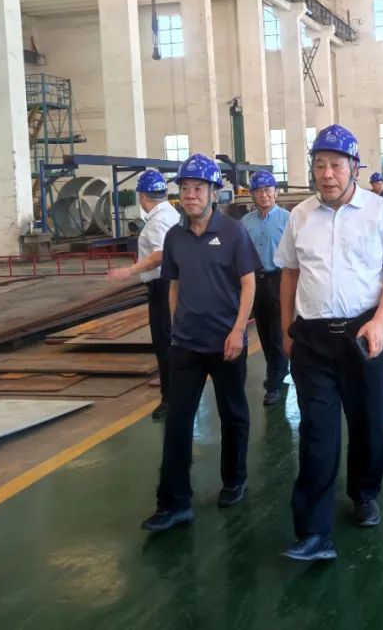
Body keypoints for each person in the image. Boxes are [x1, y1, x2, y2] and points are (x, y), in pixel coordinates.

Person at [276, 124, 383, 561]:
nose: (327, 174)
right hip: (312, 339)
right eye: (319, 165)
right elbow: (290, 272)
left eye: (335, 165)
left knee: (367, 421)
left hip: (363, 333)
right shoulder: (300, 216)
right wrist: (286, 328)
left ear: (354, 167)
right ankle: (313, 532)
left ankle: (364, 492)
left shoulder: (379, 212)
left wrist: (380, 322)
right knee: (317, 430)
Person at [141, 154, 260, 533]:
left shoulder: (234, 232)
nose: (190, 194)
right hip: (186, 345)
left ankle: (234, 479)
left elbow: (248, 283)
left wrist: (239, 330)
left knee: (233, 414)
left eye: (198, 188)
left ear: (213, 192)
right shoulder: (175, 237)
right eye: (185, 188)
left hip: (225, 342)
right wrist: (177, 327)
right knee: (178, 421)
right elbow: (173, 286)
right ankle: (174, 503)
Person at [107, 169, 180, 421]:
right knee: (170, 341)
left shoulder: (158, 221)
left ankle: (170, 399)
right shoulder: (170, 213)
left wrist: (130, 270)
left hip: (162, 287)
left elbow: (160, 255)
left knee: (164, 343)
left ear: (142, 196)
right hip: (169, 284)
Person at [240, 170, 291, 406]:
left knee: (278, 332)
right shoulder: (245, 223)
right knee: (263, 331)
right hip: (254, 282)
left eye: (268, 190)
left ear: (276, 192)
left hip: (279, 279)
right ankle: (277, 370)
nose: (264, 195)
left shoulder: (288, 219)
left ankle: (273, 385)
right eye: (259, 191)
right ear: (252, 194)